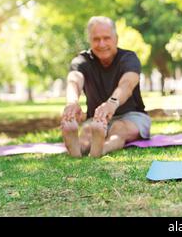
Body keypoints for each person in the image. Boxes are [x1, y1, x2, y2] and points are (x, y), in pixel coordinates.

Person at [61, 16, 151, 158]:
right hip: (97, 119)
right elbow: (74, 81)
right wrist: (72, 103)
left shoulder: (128, 58)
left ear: (116, 38)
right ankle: (77, 149)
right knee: (87, 132)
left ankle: (100, 149)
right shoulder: (82, 61)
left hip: (132, 116)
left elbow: (127, 84)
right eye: (96, 39)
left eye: (106, 38)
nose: (101, 43)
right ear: (89, 40)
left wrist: (111, 104)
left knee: (118, 129)